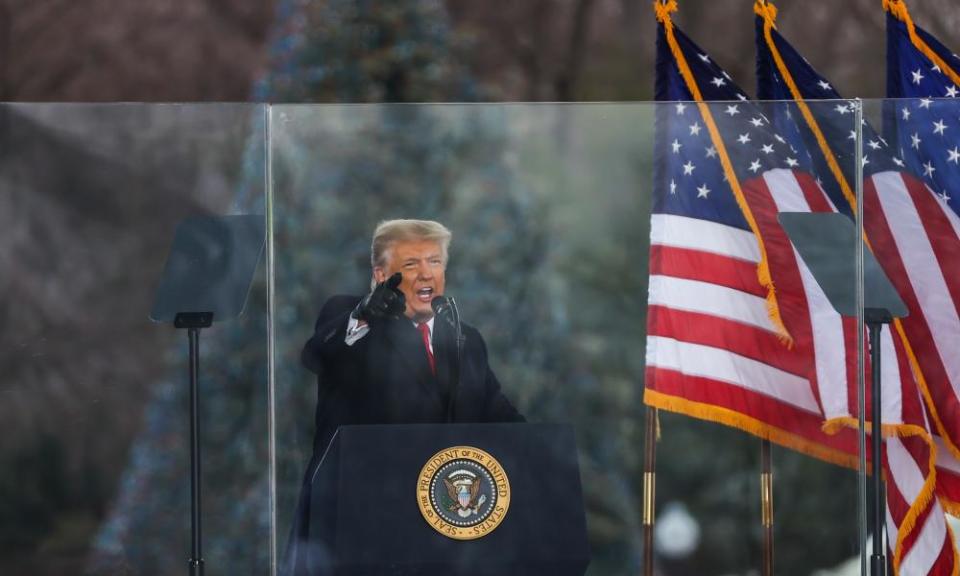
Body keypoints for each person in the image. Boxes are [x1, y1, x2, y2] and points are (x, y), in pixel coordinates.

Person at [283, 219, 524, 576]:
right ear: (382, 275)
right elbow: (316, 355)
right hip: (357, 524)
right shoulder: (351, 318)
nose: (426, 274)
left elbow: (498, 413)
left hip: (443, 532)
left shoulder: (465, 339)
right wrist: (363, 314)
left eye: (435, 261)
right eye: (411, 264)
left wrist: (537, 449)